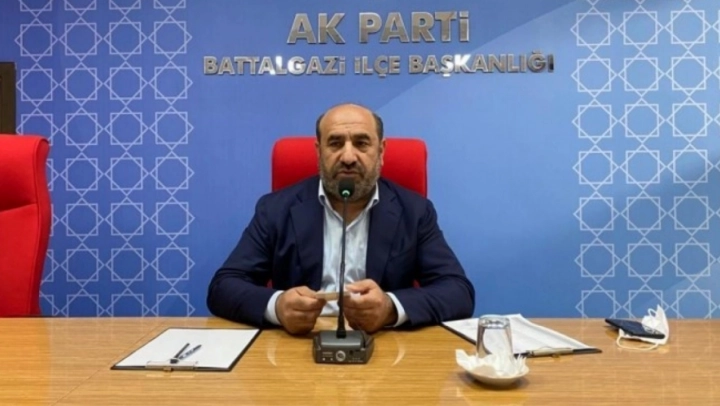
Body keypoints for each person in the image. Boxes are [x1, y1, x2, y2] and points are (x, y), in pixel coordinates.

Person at [207, 103, 475, 335]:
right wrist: (277, 306)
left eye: (361, 143)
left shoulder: (415, 211)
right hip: (297, 348)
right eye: (335, 143)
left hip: (384, 347)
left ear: (381, 151)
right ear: (318, 151)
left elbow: (458, 292)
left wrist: (390, 308)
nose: (348, 157)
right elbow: (223, 287)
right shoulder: (275, 209)